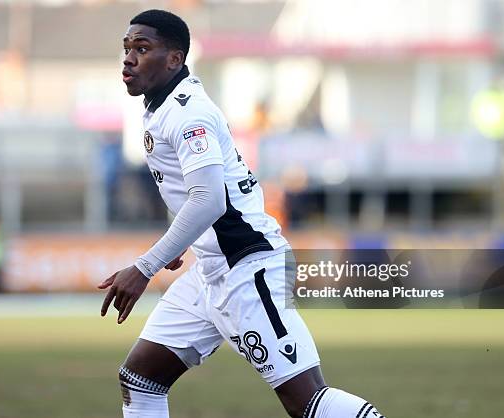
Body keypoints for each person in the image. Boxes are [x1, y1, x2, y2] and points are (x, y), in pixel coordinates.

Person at [99, 9, 386, 418]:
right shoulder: (161, 105)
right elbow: (192, 192)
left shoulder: (186, 113)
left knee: (306, 400)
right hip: (212, 269)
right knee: (140, 379)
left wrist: (146, 267)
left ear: (174, 59)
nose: (128, 58)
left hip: (247, 267)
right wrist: (182, 242)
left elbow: (210, 200)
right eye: (127, 48)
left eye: (142, 48)